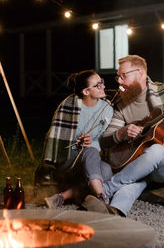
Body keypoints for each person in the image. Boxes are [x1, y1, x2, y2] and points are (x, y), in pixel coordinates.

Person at [82, 55, 164, 216]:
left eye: (124, 76)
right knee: (133, 182)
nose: (119, 81)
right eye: (118, 77)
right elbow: (106, 140)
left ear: (140, 74)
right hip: (137, 166)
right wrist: (122, 132)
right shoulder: (121, 105)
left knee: (156, 150)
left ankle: (104, 190)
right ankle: (115, 212)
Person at [38, 69, 114, 208]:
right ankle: (102, 198)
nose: (103, 86)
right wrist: (77, 144)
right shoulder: (68, 106)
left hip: (90, 158)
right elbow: (57, 142)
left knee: (106, 170)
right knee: (90, 152)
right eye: (98, 85)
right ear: (86, 92)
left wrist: (92, 142)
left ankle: (61, 197)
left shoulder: (107, 109)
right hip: (66, 158)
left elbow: (100, 140)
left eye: (102, 82)